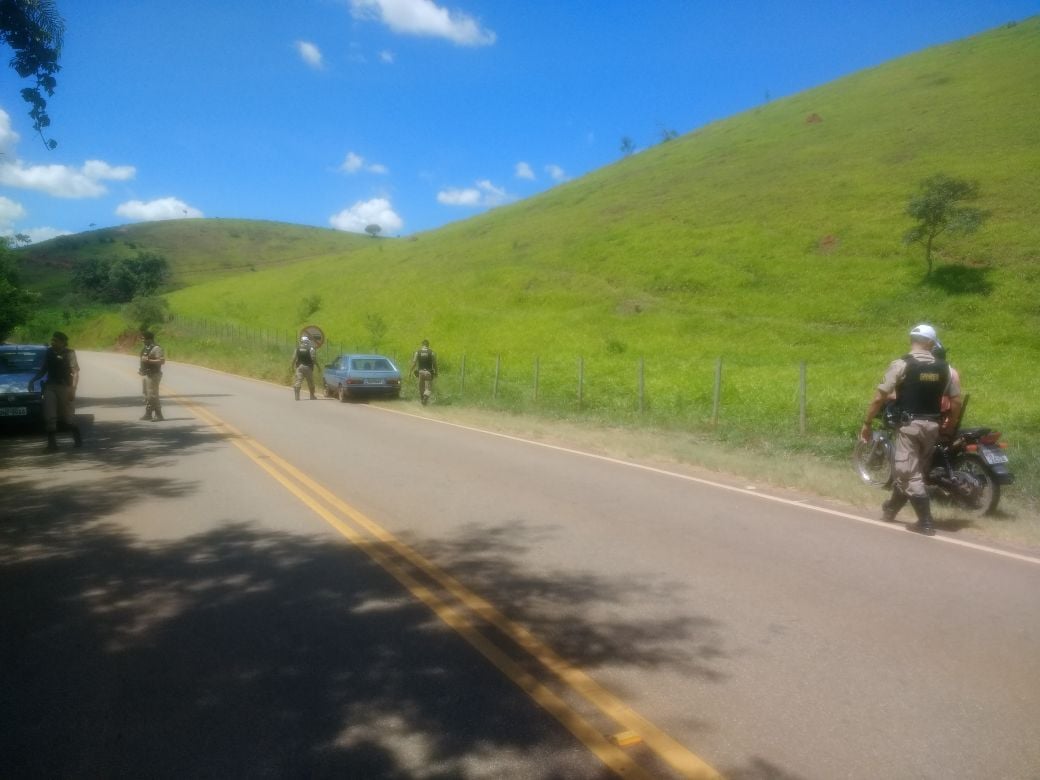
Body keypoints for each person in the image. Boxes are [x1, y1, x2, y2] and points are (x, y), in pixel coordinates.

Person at [859, 324, 961, 536]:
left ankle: (925, 522)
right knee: (916, 471)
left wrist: (867, 423)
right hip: (932, 427)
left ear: (912, 340)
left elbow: (879, 397)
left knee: (907, 471)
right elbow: (956, 401)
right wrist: (950, 426)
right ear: (931, 343)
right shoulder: (946, 368)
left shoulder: (901, 364)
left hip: (909, 427)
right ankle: (891, 509)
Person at [27, 331, 81, 451]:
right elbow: (43, 370)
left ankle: (77, 438)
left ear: (62, 342)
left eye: (55, 340)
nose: (53, 342)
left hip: (64, 387)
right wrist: (32, 380)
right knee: (49, 416)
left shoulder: (69, 353)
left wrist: (73, 389)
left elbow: (76, 373)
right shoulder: (49, 352)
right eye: (52, 340)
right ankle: (52, 445)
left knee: (67, 417)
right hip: (50, 387)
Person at [139, 330, 166, 421]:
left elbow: (162, 361)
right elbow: (143, 360)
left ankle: (159, 415)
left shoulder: (156, 348)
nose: (141, 340)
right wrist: (141, 369)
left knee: (152, 395)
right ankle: (148, 414)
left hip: (154, 375)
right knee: (146, 395)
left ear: (149, 339)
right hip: (146, 374)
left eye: (143, 338)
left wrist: (148, 361)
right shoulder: (146, 348)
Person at [409, 339, 438, 404]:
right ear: (428, 345)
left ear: (422, 345)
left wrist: (410, 371)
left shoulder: (418, 352)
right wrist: (436, 372)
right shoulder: (432, 353)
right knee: (428, 389)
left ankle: (422, 399)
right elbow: (435, 364)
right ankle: (425, 397)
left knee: (421, 388)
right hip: (428, 373)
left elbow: (414, 363)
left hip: (420, 372)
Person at [291, 335, 318, 400]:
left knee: (298, 381)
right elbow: (313, 359)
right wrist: (318, 366)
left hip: (299, 367)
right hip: (308, 367)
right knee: (310, 382)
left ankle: (297, 396)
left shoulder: (297, 348)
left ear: (301, 341)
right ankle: (312, 396)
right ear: (308, 341)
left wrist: (292, 366)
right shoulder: (311, 349)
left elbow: (294, 358)